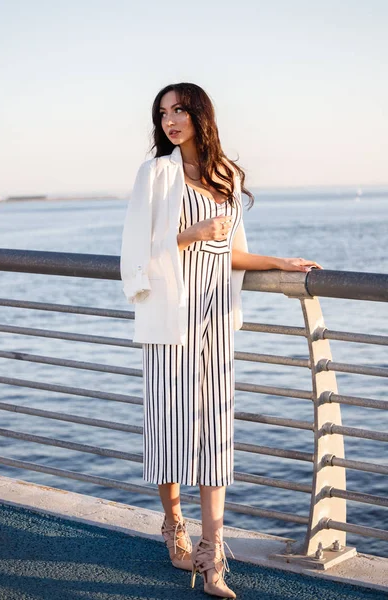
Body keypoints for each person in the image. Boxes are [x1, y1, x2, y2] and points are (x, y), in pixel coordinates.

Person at [120, 82, 323, 599]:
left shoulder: (226, 175)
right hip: (170, 322)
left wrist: (281, 263)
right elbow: (134, 250)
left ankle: (213, 559)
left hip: (215, 323)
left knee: (215, 439)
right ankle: (173, 525)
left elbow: (231, 252)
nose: (170, 120)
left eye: (180, 109)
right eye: (162, 113)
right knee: (168, 430)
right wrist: (191, 234)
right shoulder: (157, 174)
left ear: (199, 114)